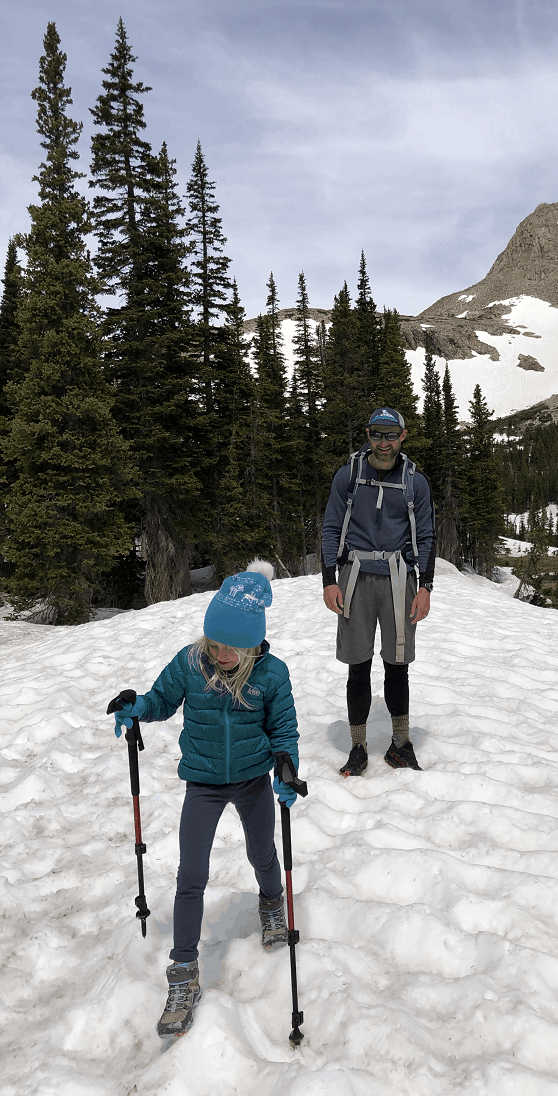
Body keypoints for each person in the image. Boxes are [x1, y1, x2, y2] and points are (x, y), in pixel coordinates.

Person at [107, 560, 301, 1039]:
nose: (221, 654)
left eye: (231, 648)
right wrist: (136, 711)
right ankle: (183, 971)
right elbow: (161, 699)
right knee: (190, 874)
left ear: (253, 642)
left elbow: (284, 731)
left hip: (254, 779)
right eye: (215, 644)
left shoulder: (271, 675)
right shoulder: (192, 663)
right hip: (204, 782)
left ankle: (273, 904)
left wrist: (286, 767)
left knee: (262, 853)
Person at [321, 406, 435, 776]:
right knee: (358, 665)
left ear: (403, 437)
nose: (383, 443)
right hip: (355, 576)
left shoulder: (415, 482)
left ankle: (400, 744)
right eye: (376, 434)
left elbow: (427, 536)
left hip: (400, 579)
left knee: (397, 665)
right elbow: (331, 527)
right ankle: (358, 746)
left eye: (390, 435)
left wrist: (426, 587)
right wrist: (328, 580)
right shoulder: (348, 476)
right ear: (368, 435)